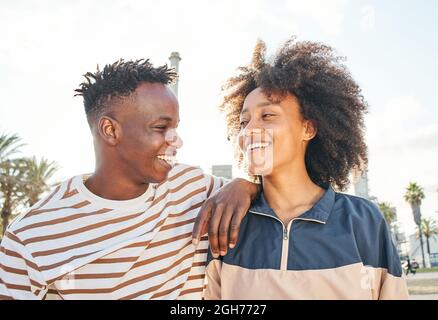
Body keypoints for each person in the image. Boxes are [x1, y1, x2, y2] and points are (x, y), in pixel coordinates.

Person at [0, 59, 259, 300]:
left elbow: (274, 192)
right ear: (110, 130)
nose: (177, 141)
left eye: (176, 127)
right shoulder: (30, 236)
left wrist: (246, 185)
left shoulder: (193, 187)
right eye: (161, 128)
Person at [204, 38, 409, 300]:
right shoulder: (229, 223)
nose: (249, 130)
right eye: (244, 121)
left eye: (267, 116)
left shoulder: (364, 221)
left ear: (308, 128)